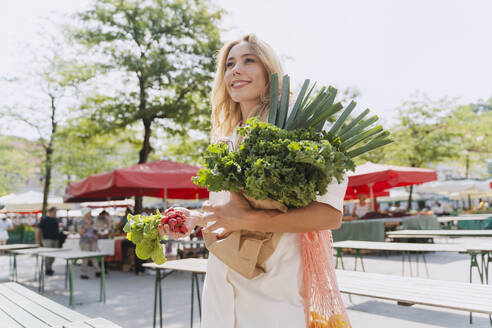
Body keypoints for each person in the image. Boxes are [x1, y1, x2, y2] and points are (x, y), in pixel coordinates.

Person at [159, 34, 350, 328]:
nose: (236, 69)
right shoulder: (224, 141)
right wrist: (196, 217)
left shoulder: (301, 130)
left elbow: (329, 215)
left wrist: (248, 219)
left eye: (249, 60)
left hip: (274, 288)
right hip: (222, 285)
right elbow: (225, 211)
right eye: (230, 63)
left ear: (269, 71)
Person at [36, 207, 60, 276]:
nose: (55, 214)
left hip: (55, 240)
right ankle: (48, 269)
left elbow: (57, 230)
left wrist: (58, 241)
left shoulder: (55, 219)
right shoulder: (44, 219)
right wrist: (38, 241)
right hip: (47, 240)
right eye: (54, 212)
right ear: (50, 212)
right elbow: (38, 230)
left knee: (53, 256)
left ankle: (50, 267)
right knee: (48, 256)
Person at [78, 207, 101, 279]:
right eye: (88, 212)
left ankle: (98, 271)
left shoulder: (92, 220)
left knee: (94, 256)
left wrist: (96, 233)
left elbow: (95, 230)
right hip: (84, 242)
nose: (90, 214)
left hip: (93, 241)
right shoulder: (80, 222)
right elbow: (80, 233)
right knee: (85, 258)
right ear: (85, 213)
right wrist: (87, 226)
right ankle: (83, 273)